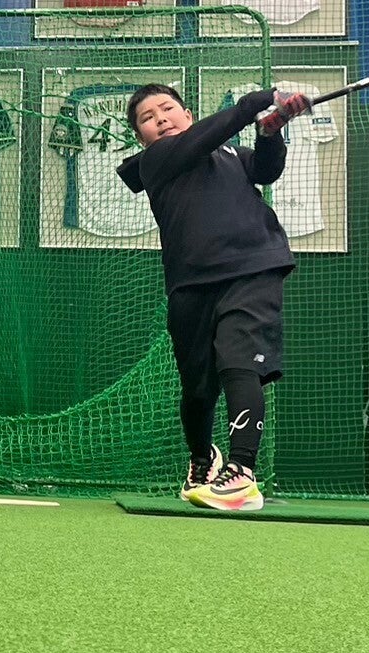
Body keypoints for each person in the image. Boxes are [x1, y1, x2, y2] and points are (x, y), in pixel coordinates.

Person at [116, 84, 310, 511]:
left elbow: (266, 170)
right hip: (189, 286)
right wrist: (256, 103)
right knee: (198, 390)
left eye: (167, 109)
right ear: (141, 137)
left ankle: (242, 472)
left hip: (252, 268)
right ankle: (202, 459)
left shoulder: (231, 155)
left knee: (240, 363)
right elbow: (206, 136)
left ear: (187, 113)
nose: (160, 118)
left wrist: (271, 132)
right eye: (147, 118)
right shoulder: (155, 161)